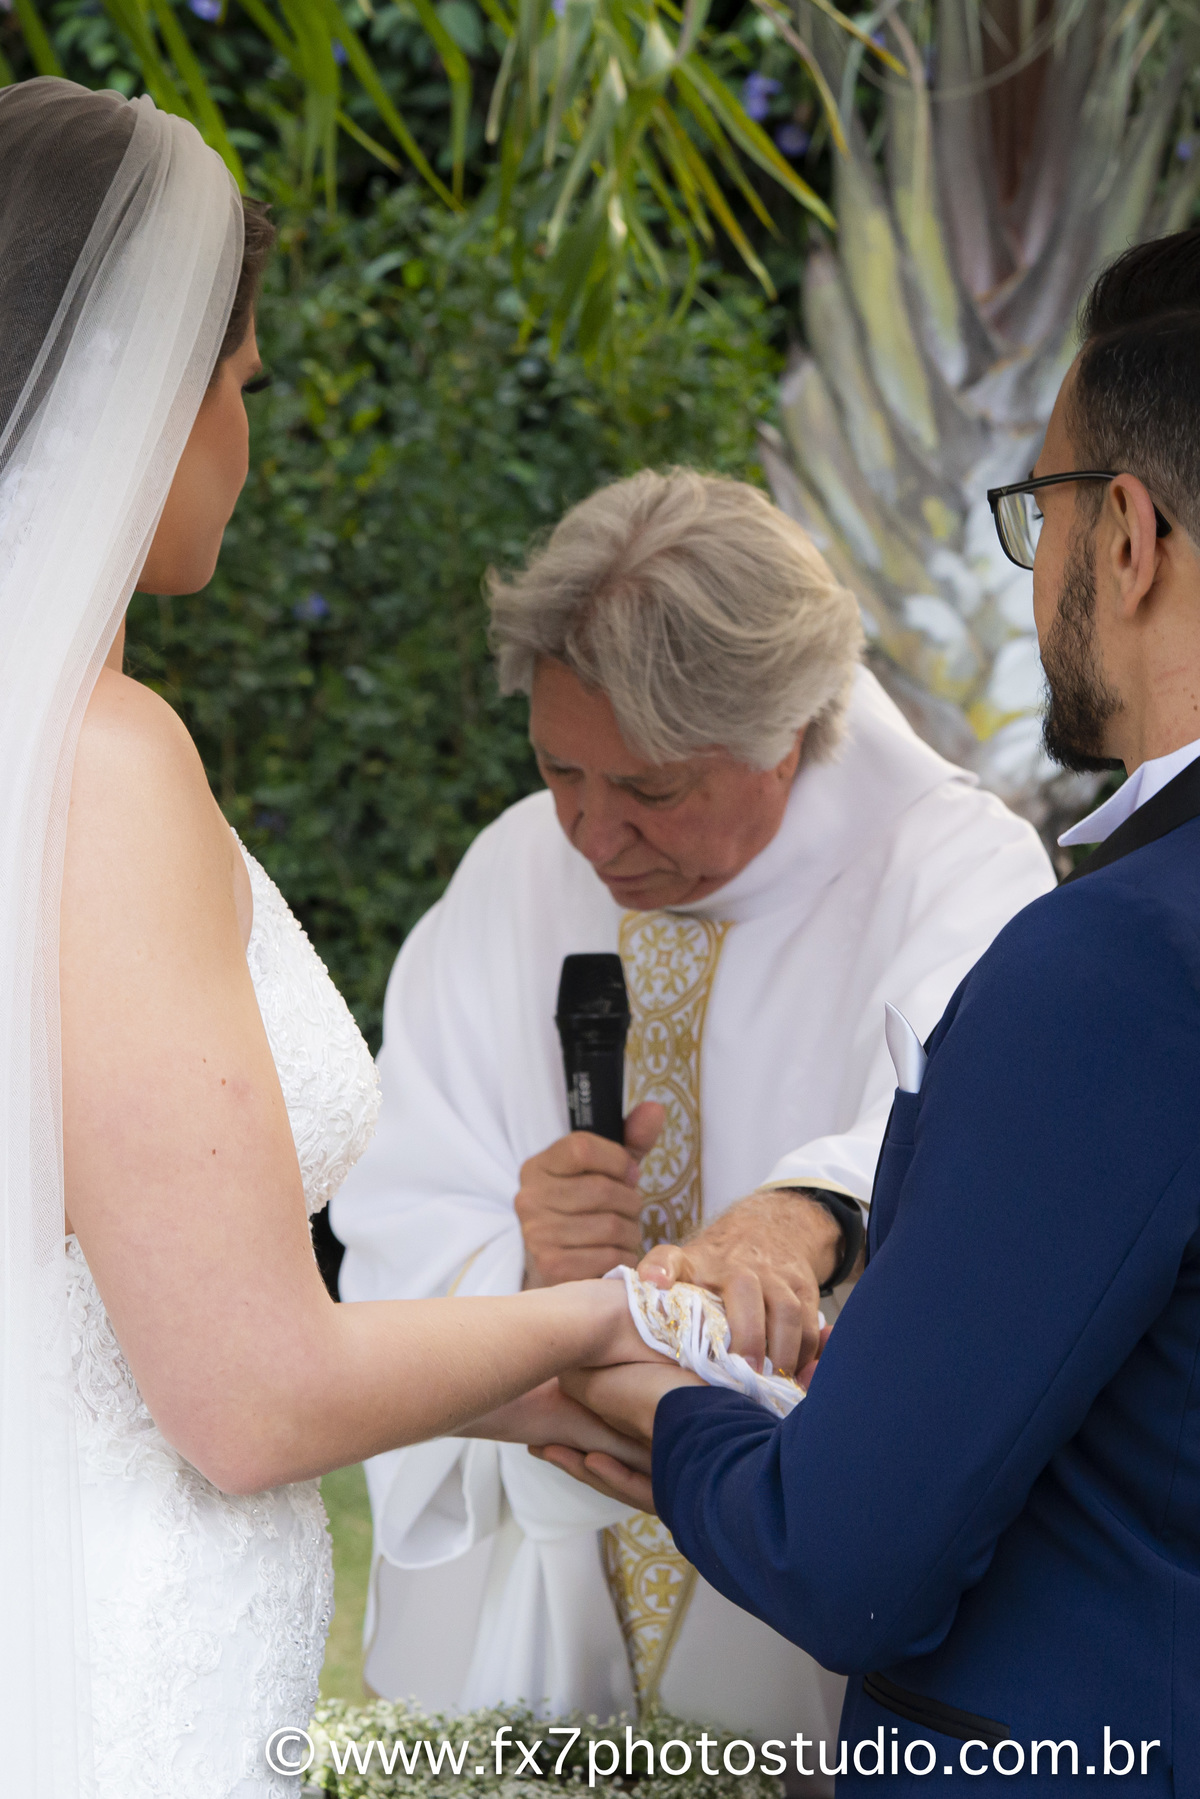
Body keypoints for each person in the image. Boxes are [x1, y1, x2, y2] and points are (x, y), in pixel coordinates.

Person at [1, 78, 657, 1799]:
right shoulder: (100, 761)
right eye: (245, 385)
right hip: (124, 1679)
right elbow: (247, 1395)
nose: (250, 433)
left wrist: (499, 1386)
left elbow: (125, 1312)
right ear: (145, 384)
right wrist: (593, 1316)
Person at [559, 229, 1200, 1794]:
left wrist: (663, 1410)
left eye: (1036, 506)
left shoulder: (1116, 966)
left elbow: (843, 1554)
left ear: (1125, 536)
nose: (1032, 558)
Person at [331, 468, 1054, 1751]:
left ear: (785, 734)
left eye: (653, 790)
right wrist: (529, 1262)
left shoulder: (954, 869)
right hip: (537, 1609)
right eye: (559, 766)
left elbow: (971, 1143)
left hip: (806, 1630)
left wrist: (803, 1216)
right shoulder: (512, 870)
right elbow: (397, 1206)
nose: (593, 833)